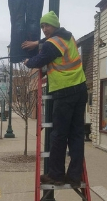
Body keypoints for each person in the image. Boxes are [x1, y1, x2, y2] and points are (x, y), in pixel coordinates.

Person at [23, 11, 87, 188]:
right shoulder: (68, 36)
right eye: (42, 26)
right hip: (80, 88)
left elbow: (39, 60)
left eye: (47, 26)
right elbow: (50, 40)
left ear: (54, 26)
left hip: (64, 91)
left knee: (58, 135)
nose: (44, 29)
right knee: (76, 135)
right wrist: (38, 42)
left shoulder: (52, 44)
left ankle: (56, 175)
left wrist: (27, 61)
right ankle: (74, 176)